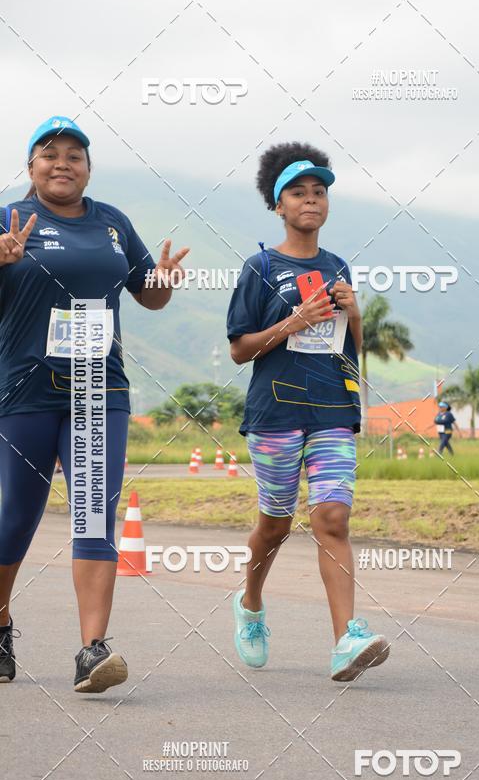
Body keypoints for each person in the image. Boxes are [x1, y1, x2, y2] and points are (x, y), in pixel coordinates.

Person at [0, 116, 189, 692]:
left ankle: (92, 650)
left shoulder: (112, 223)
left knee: (93, 514)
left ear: (88, 168)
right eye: (50, 154)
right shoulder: (8, 219)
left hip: (97, 389)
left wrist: (162, 280)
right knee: (15, 517)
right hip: (25, 390)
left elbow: (149, 297)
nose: (63, 163)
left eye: (74, 155)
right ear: (31, 167)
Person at [226, 142, 390, 682]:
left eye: (319, 191)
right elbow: (240, 349)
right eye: (298, 192)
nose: (311, 199)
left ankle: (346, 640)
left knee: (333, 519)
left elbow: (353, 348)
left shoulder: (337, 266)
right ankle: (250, 604)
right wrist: (293, 321)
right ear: (278, 205)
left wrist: (355, 313)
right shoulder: (260, 267)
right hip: (275, 412)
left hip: (332, 411)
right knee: (274, 526)